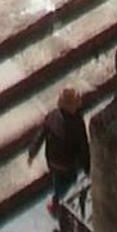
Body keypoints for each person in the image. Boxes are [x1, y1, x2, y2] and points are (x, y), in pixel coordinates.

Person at [27, 85, 90, 213]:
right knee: (70, 180)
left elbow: (40, 135)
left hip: (52, 160)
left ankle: (57, 194)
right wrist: (88, 168)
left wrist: (32, 153)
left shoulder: (52, 116)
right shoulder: (78, 123)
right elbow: (83, 147)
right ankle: (57, 199)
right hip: (68, 163)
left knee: (57, 178)